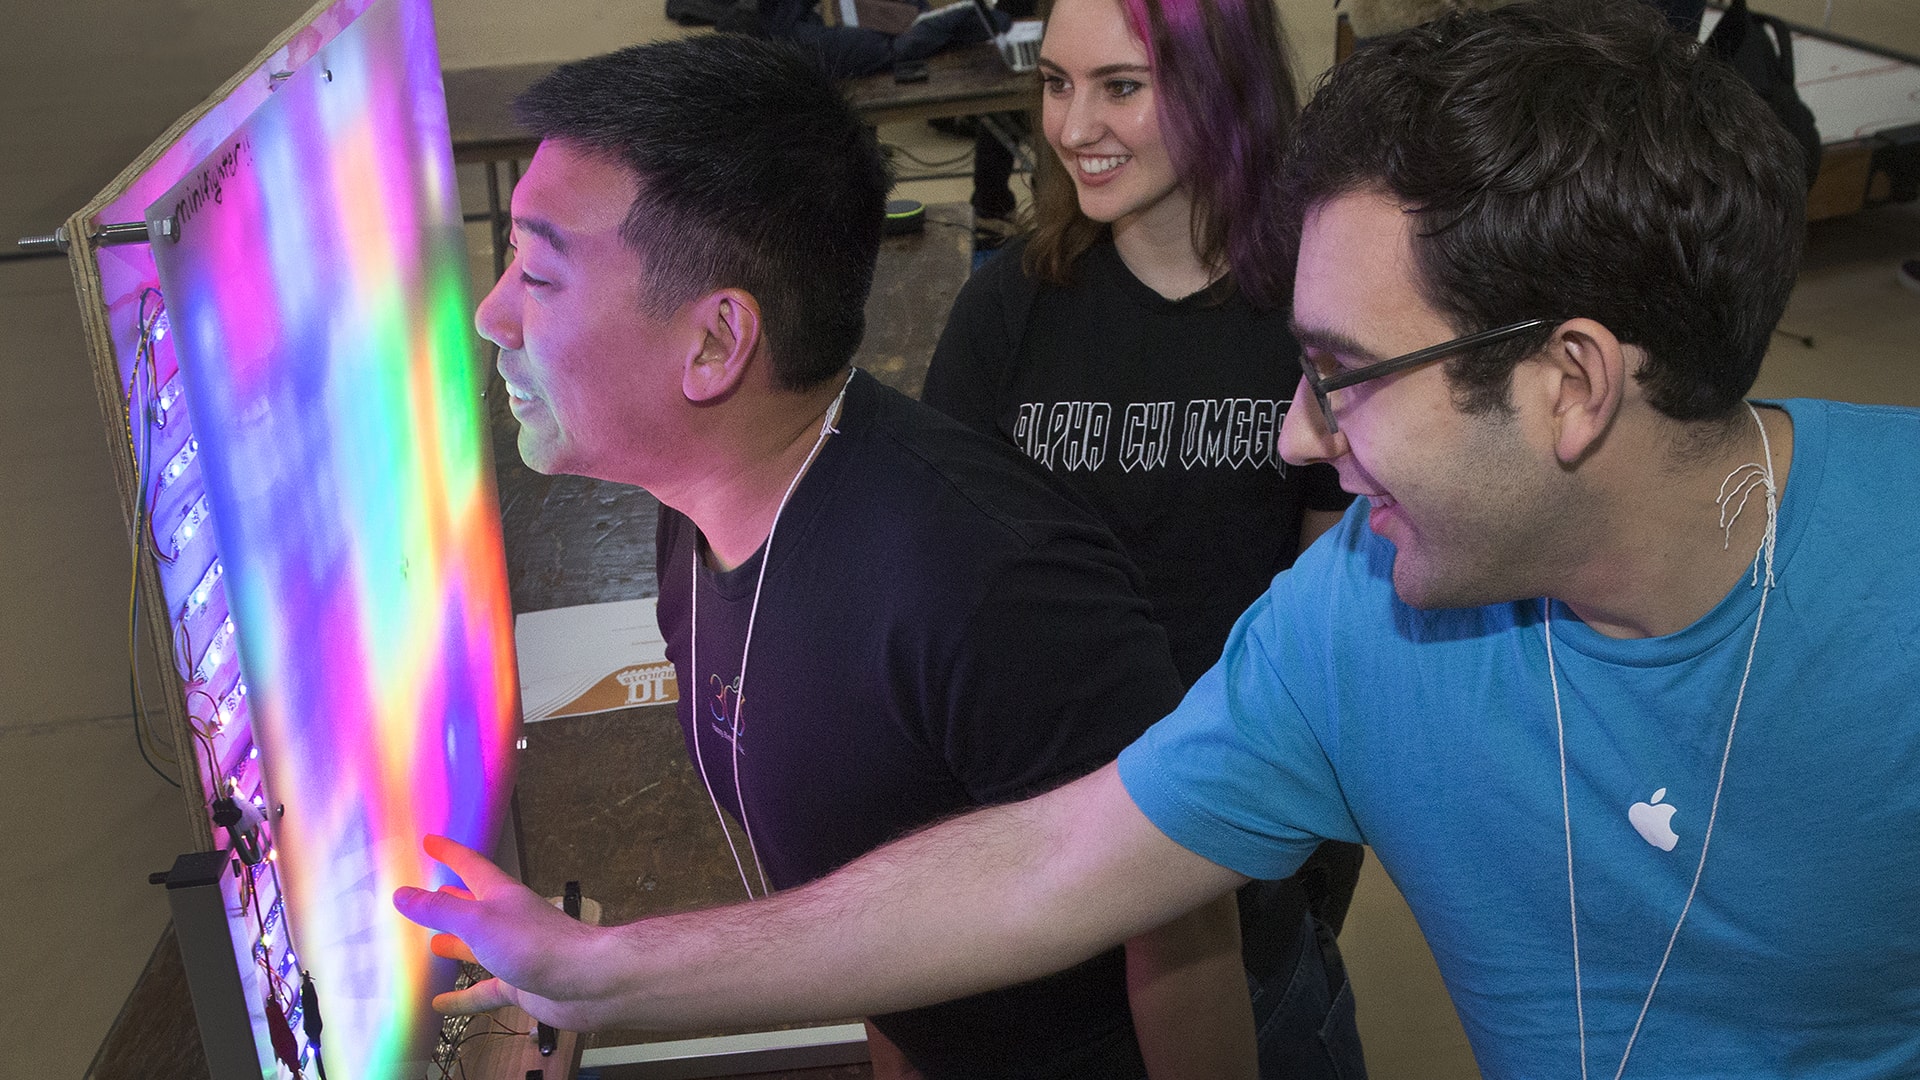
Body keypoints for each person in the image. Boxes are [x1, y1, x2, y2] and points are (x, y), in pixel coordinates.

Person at [397, 3, 1920, 1076]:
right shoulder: (1353, 620)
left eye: (1342, 377)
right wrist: (606, 972)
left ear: (1570, 385)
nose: (1295, 439)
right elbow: (1048, 865)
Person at [460, 32, 1256, 1080]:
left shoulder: (984, 581)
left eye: (541, 274)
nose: (492, 313)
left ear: (714, 344)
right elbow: (871, 913)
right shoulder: (700, 510)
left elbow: (1189, 929)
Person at [920, 0, 1363, 1072]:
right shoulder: (1009, 314)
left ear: (1225, 91)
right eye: (1058, 83)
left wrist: (1286, 865)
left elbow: (1330, 616)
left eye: (1120, 86)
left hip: (1242, 851)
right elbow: (935, 596)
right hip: (1047, 855)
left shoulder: (1317, 308)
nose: (1073, 127)